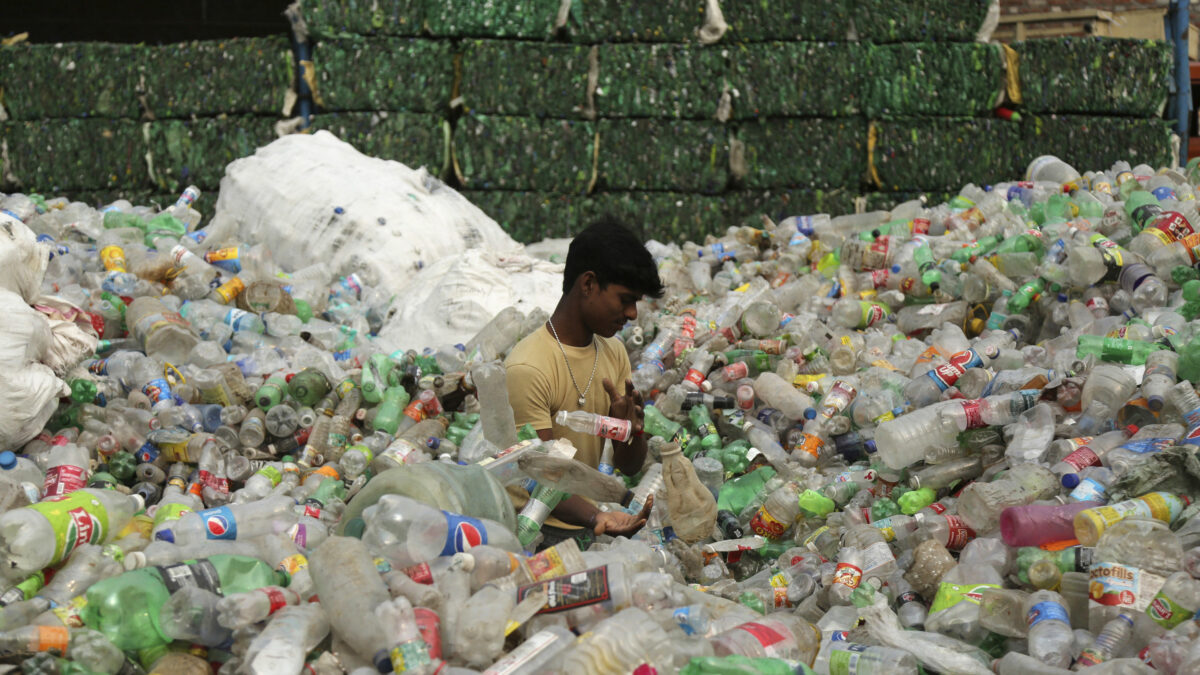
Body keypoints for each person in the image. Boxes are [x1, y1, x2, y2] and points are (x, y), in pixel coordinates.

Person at [505, 216, 665, 548]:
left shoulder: (613, 351)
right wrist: (597, 517)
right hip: (528, 529)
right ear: (589, 284)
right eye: (625, 299)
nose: (633, 313)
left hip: (583, 522)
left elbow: (630, 465)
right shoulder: (529, 367)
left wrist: (631, 432)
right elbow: (538, 474)